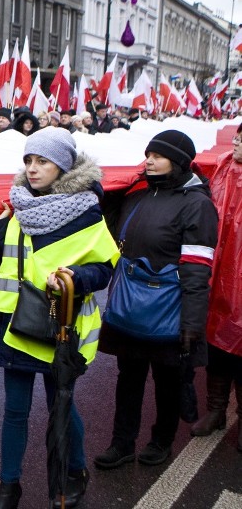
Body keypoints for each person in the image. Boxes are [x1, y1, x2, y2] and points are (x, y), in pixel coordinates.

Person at [0, 127, 119, 509]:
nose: (32, 168)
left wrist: (77, 278)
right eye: (28, 160)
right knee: (15, 409)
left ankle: (75, 470)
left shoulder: (85, 212)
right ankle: (8, 486)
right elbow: (15, 262)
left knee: (61, 405)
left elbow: (106, 266)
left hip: (59, 327)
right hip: (15, 325)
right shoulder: (19, 204)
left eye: (42, 161)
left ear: (62, 165)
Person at [94, 130, 218, 470]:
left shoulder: (198, 205)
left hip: (170, 311)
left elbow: (197, 270)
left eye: (157, 156)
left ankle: (161, 441)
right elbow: (112, 231)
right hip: (131, 308)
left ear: (178, 162)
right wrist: (112, 195)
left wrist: (193, 323)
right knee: (129, 377)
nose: (148, 160)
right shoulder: (139, 195)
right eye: (148, 154)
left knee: (168, 382)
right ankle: (122, 444)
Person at [190, 124, 242, 451]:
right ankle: (216, 410)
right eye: (238, 137)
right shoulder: (224, 167)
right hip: (220, 273)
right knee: (217, 346)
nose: (236, 142)